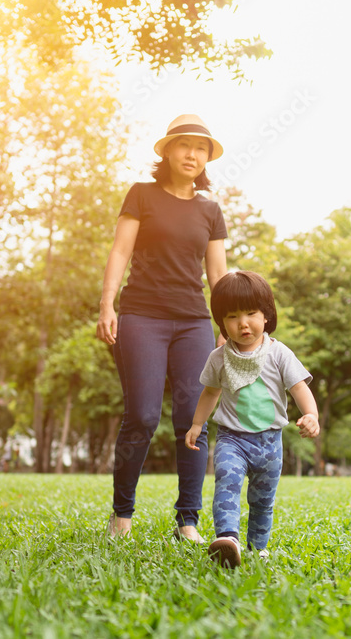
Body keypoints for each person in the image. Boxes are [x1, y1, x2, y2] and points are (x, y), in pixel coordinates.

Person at [97, 113, 228, 544]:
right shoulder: (142, 195)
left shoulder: (210, 210)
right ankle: (122, 515)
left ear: (207, 158)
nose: (192, 154)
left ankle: (187, 521)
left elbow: (219, 276)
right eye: (184, 145)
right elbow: (120, 251)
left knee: (193, 419)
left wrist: (225, 325)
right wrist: (107, 303)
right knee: (142, 415)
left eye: (201, 148)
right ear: (168, 151)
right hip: (142, 316)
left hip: (193, 322)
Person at [185, 271, 320, 568]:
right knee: (227, 484)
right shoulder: (219, 357)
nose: (243, 323)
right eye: (232, 317)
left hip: (270, 442)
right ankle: (228, 539)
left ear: (267, 315)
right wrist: (197, 425)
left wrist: (311, 414)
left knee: (262, 502)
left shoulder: (278, 353)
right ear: (222, 323)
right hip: (232, 439)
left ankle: (257, 547)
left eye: (251, 313)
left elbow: (299, 387)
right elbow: (209, 393)